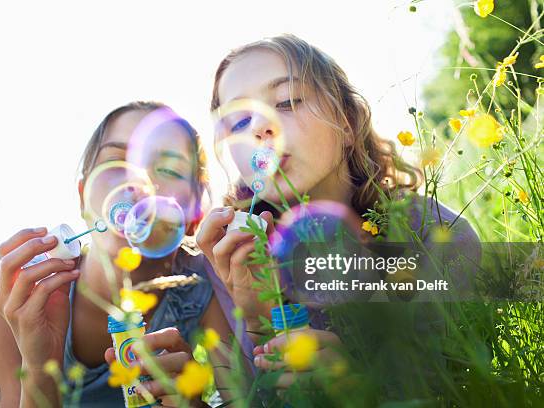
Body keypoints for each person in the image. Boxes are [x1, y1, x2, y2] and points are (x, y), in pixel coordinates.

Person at [197, 34, 480, 388]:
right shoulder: (230, 259)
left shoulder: (432, 234)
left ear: (347, 122)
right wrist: (255, 320)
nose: (258, 127)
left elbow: (456, 385)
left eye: (287, 101)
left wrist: (359, 384)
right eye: (238, 122)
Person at [0, 102, 233, 407]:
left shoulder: (202, 284)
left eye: (168, 169)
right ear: (83, 197)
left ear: (195, 213)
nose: (137, 184)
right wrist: (38, 370)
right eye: (117, 161)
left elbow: (242, 399)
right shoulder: (24, 288)